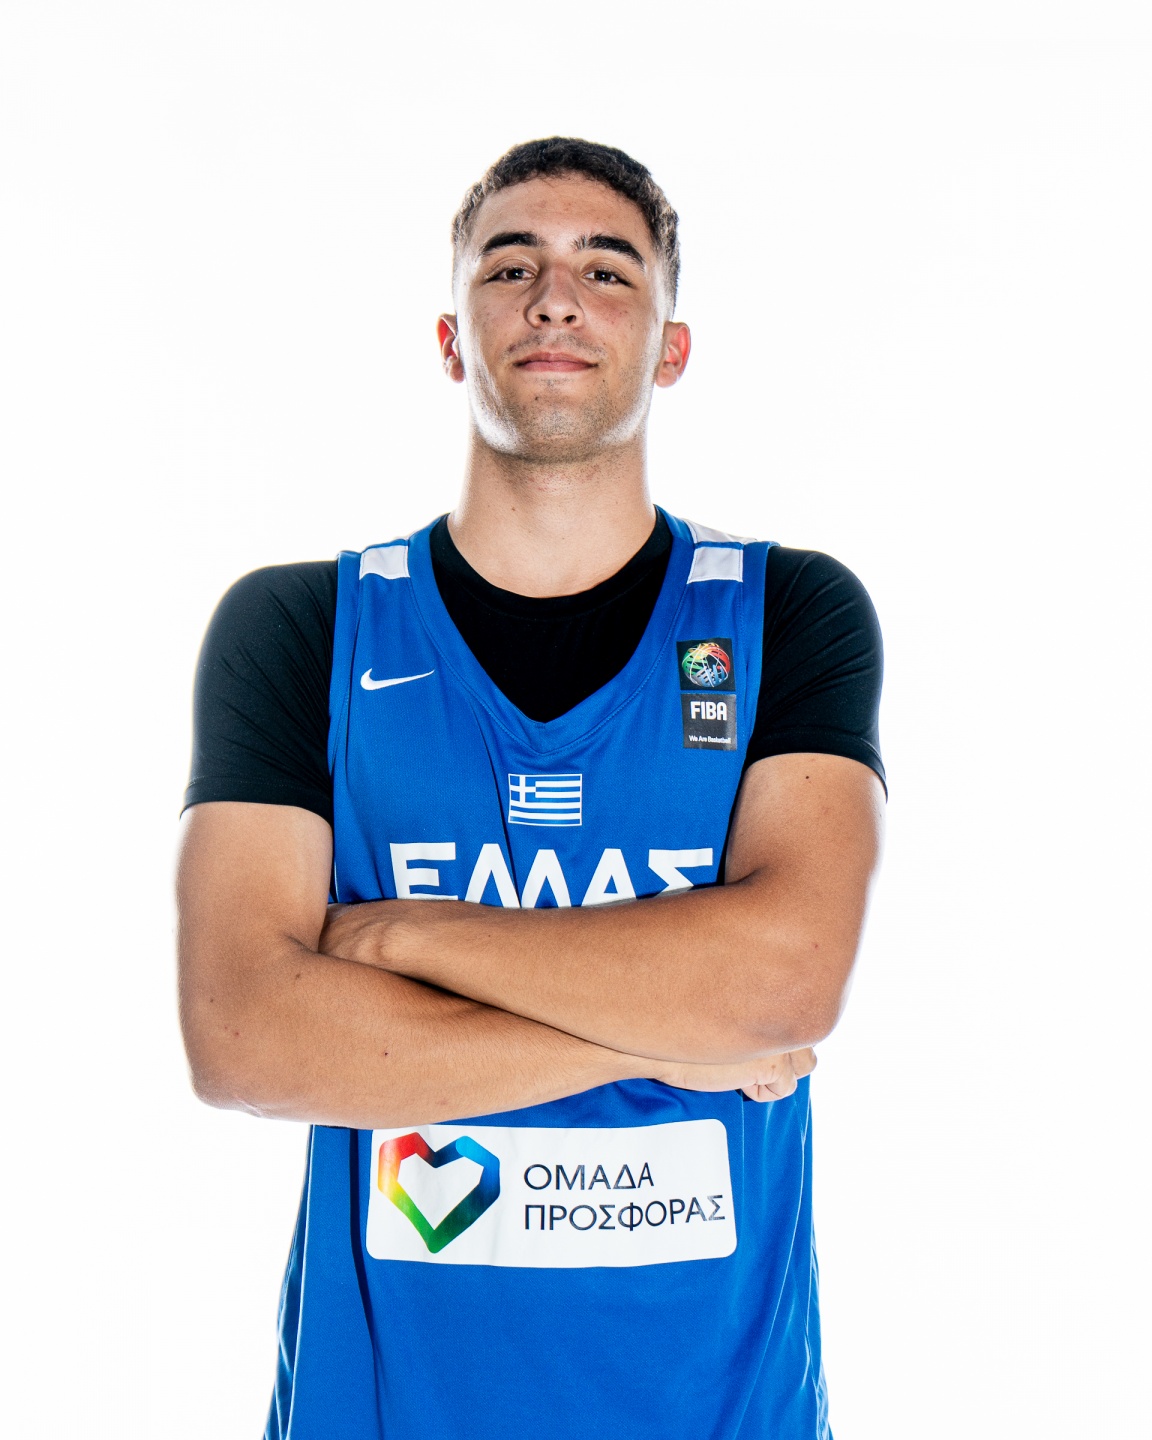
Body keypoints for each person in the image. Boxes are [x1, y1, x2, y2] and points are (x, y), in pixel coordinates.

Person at [178, 136, 886, 1440]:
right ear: (453, 339)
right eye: (512, 267)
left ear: (671, 349)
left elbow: (784, 985)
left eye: (606, 270)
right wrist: (666, 1034)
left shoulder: (787, 614)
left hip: (717, 1411)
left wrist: (403, 936)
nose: (556, 298)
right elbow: (243, 1038)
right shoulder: (301, 628)